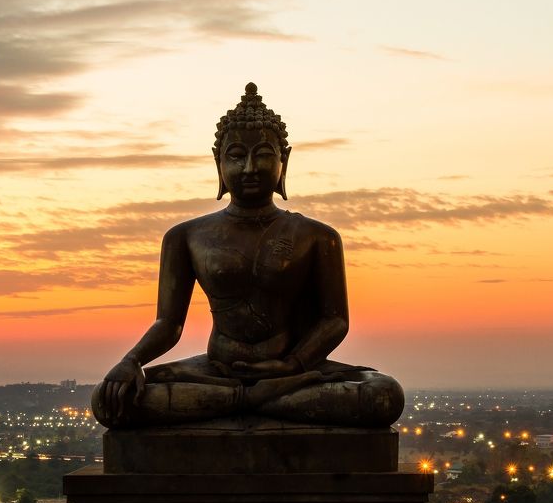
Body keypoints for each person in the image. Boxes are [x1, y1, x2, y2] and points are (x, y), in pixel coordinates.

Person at [92, 83, 404, 428]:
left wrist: (293, 365)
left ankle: (237, 403)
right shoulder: (186, 236)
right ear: (219, 164)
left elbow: (335, 321)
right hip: (217, 369)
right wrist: (131, 359)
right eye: (237, 155)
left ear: (284, 162)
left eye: (265, 154)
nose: (251, 167)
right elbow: (169, 324)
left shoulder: (317, 236)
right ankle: (257, 401)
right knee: (109, 401)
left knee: (384, 394)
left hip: (291, 368)